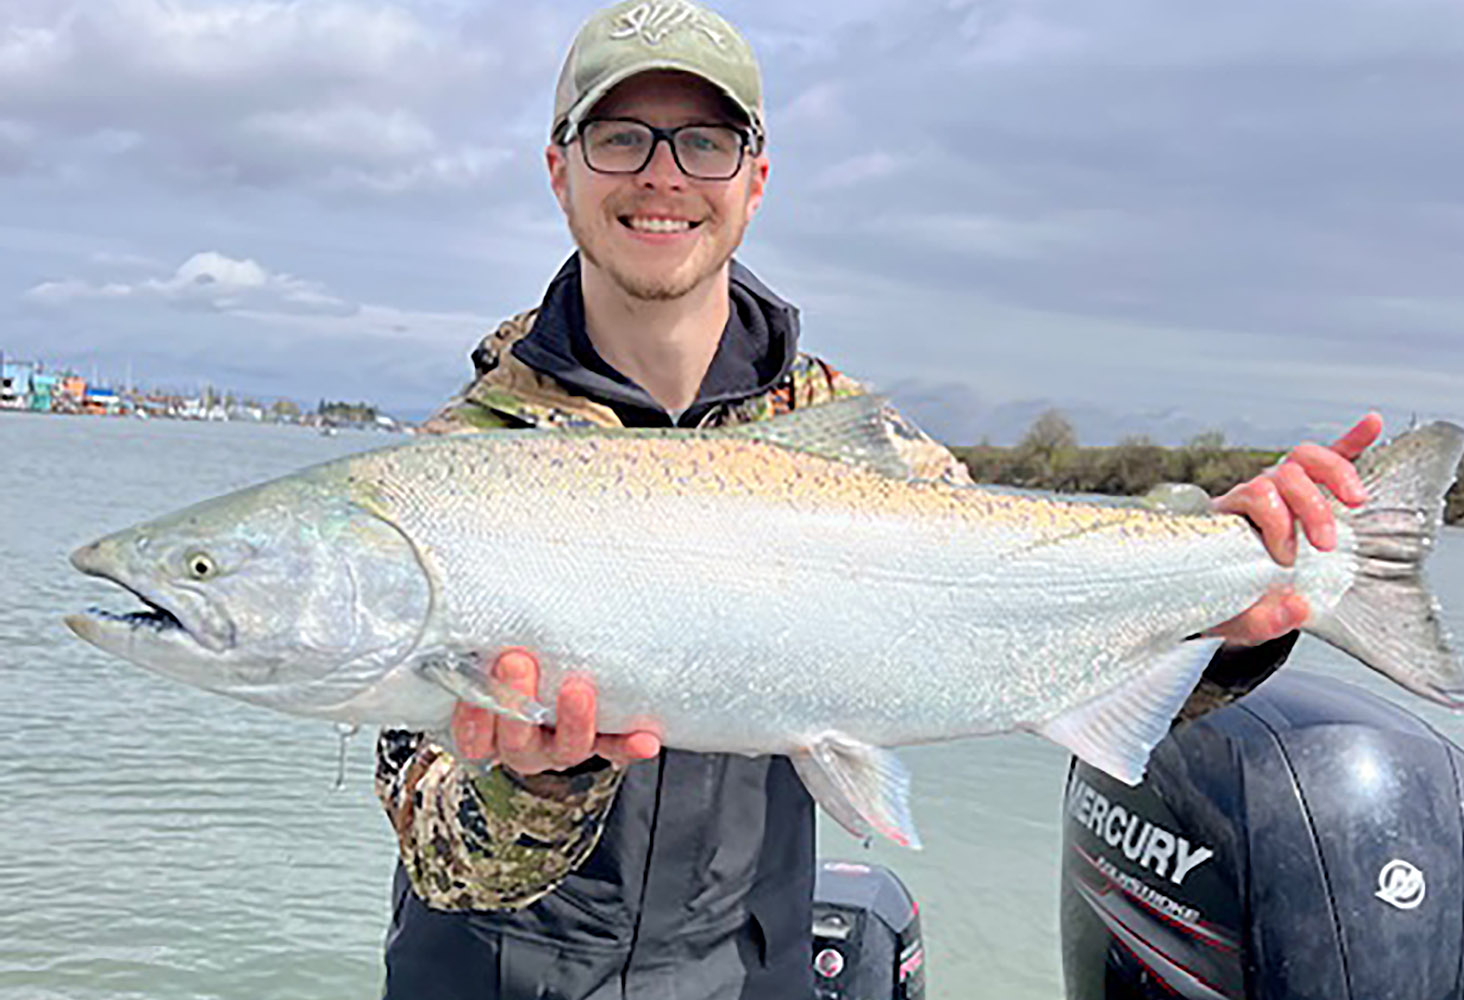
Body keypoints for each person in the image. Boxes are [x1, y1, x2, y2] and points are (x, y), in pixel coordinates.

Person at [375, 3, 1380, 997]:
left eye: (707, 141)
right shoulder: (456, 474)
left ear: (756, 181)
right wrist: (540, 779)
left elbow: (1030, 642)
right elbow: (436, 856)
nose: (663, 173)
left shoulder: (867, 451)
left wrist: (1230, 608)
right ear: (560, 170)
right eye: (619, 135)